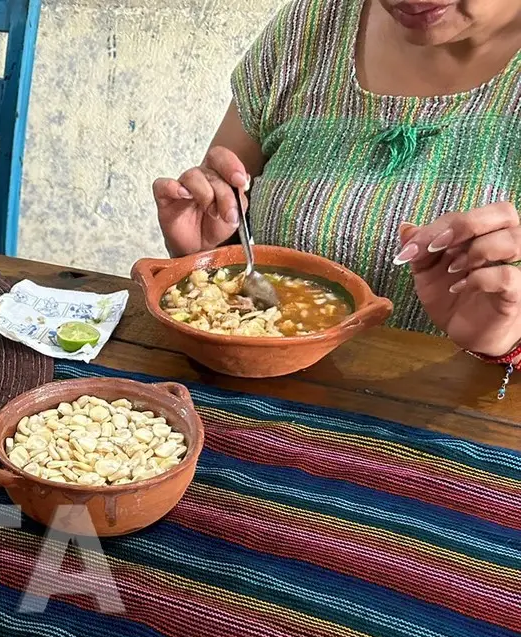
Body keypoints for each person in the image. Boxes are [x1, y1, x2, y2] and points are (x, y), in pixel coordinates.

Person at [153, 0, 521, 374]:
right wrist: (203, 254)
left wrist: (506, 341)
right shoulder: (310, 26)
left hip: (451, 425)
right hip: (250, 407)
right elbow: (221, 218)